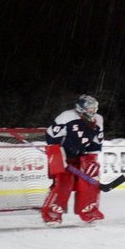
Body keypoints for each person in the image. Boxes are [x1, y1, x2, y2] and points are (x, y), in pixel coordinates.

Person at [41, 94, 105, 225]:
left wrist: (92, 160)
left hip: (82, 157)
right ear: (80, 108)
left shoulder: (98, 120)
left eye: (94, 108)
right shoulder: (67, 117)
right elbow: (51, 138)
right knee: (63, 185)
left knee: (90, 183)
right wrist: (59, 157)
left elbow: (96, 143)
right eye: (89, 108)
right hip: (63, 155)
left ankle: (89, 211)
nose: (92, 111)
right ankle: (52, 215)